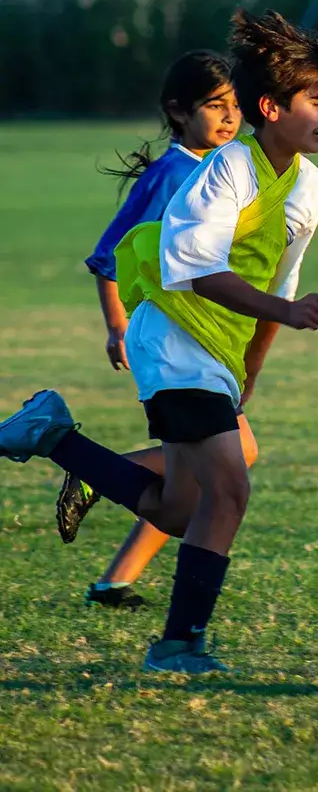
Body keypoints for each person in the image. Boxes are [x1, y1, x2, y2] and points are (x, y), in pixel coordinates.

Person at [0, 9, 318, 675]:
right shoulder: (229, 171)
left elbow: (278, 288)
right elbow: (195, 269)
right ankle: (179, 643)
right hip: (174, 337)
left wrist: (249, 375)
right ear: (271, 107)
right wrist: (285, 309)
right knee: (230, 490)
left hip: (217, 351)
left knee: (175, 506)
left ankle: (54, 435)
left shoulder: (310, 186)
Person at [56, 49, 246, 611]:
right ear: (178, 112)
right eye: (215, 106)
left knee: (195, 489)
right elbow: (110, 254)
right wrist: (116, 326)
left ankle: (115, 579)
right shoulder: (173, 174)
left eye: (235, 105)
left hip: (205, 338)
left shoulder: (221, 167)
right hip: (172, 339)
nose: (230, 117)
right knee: (229, 467)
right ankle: (94, 473)